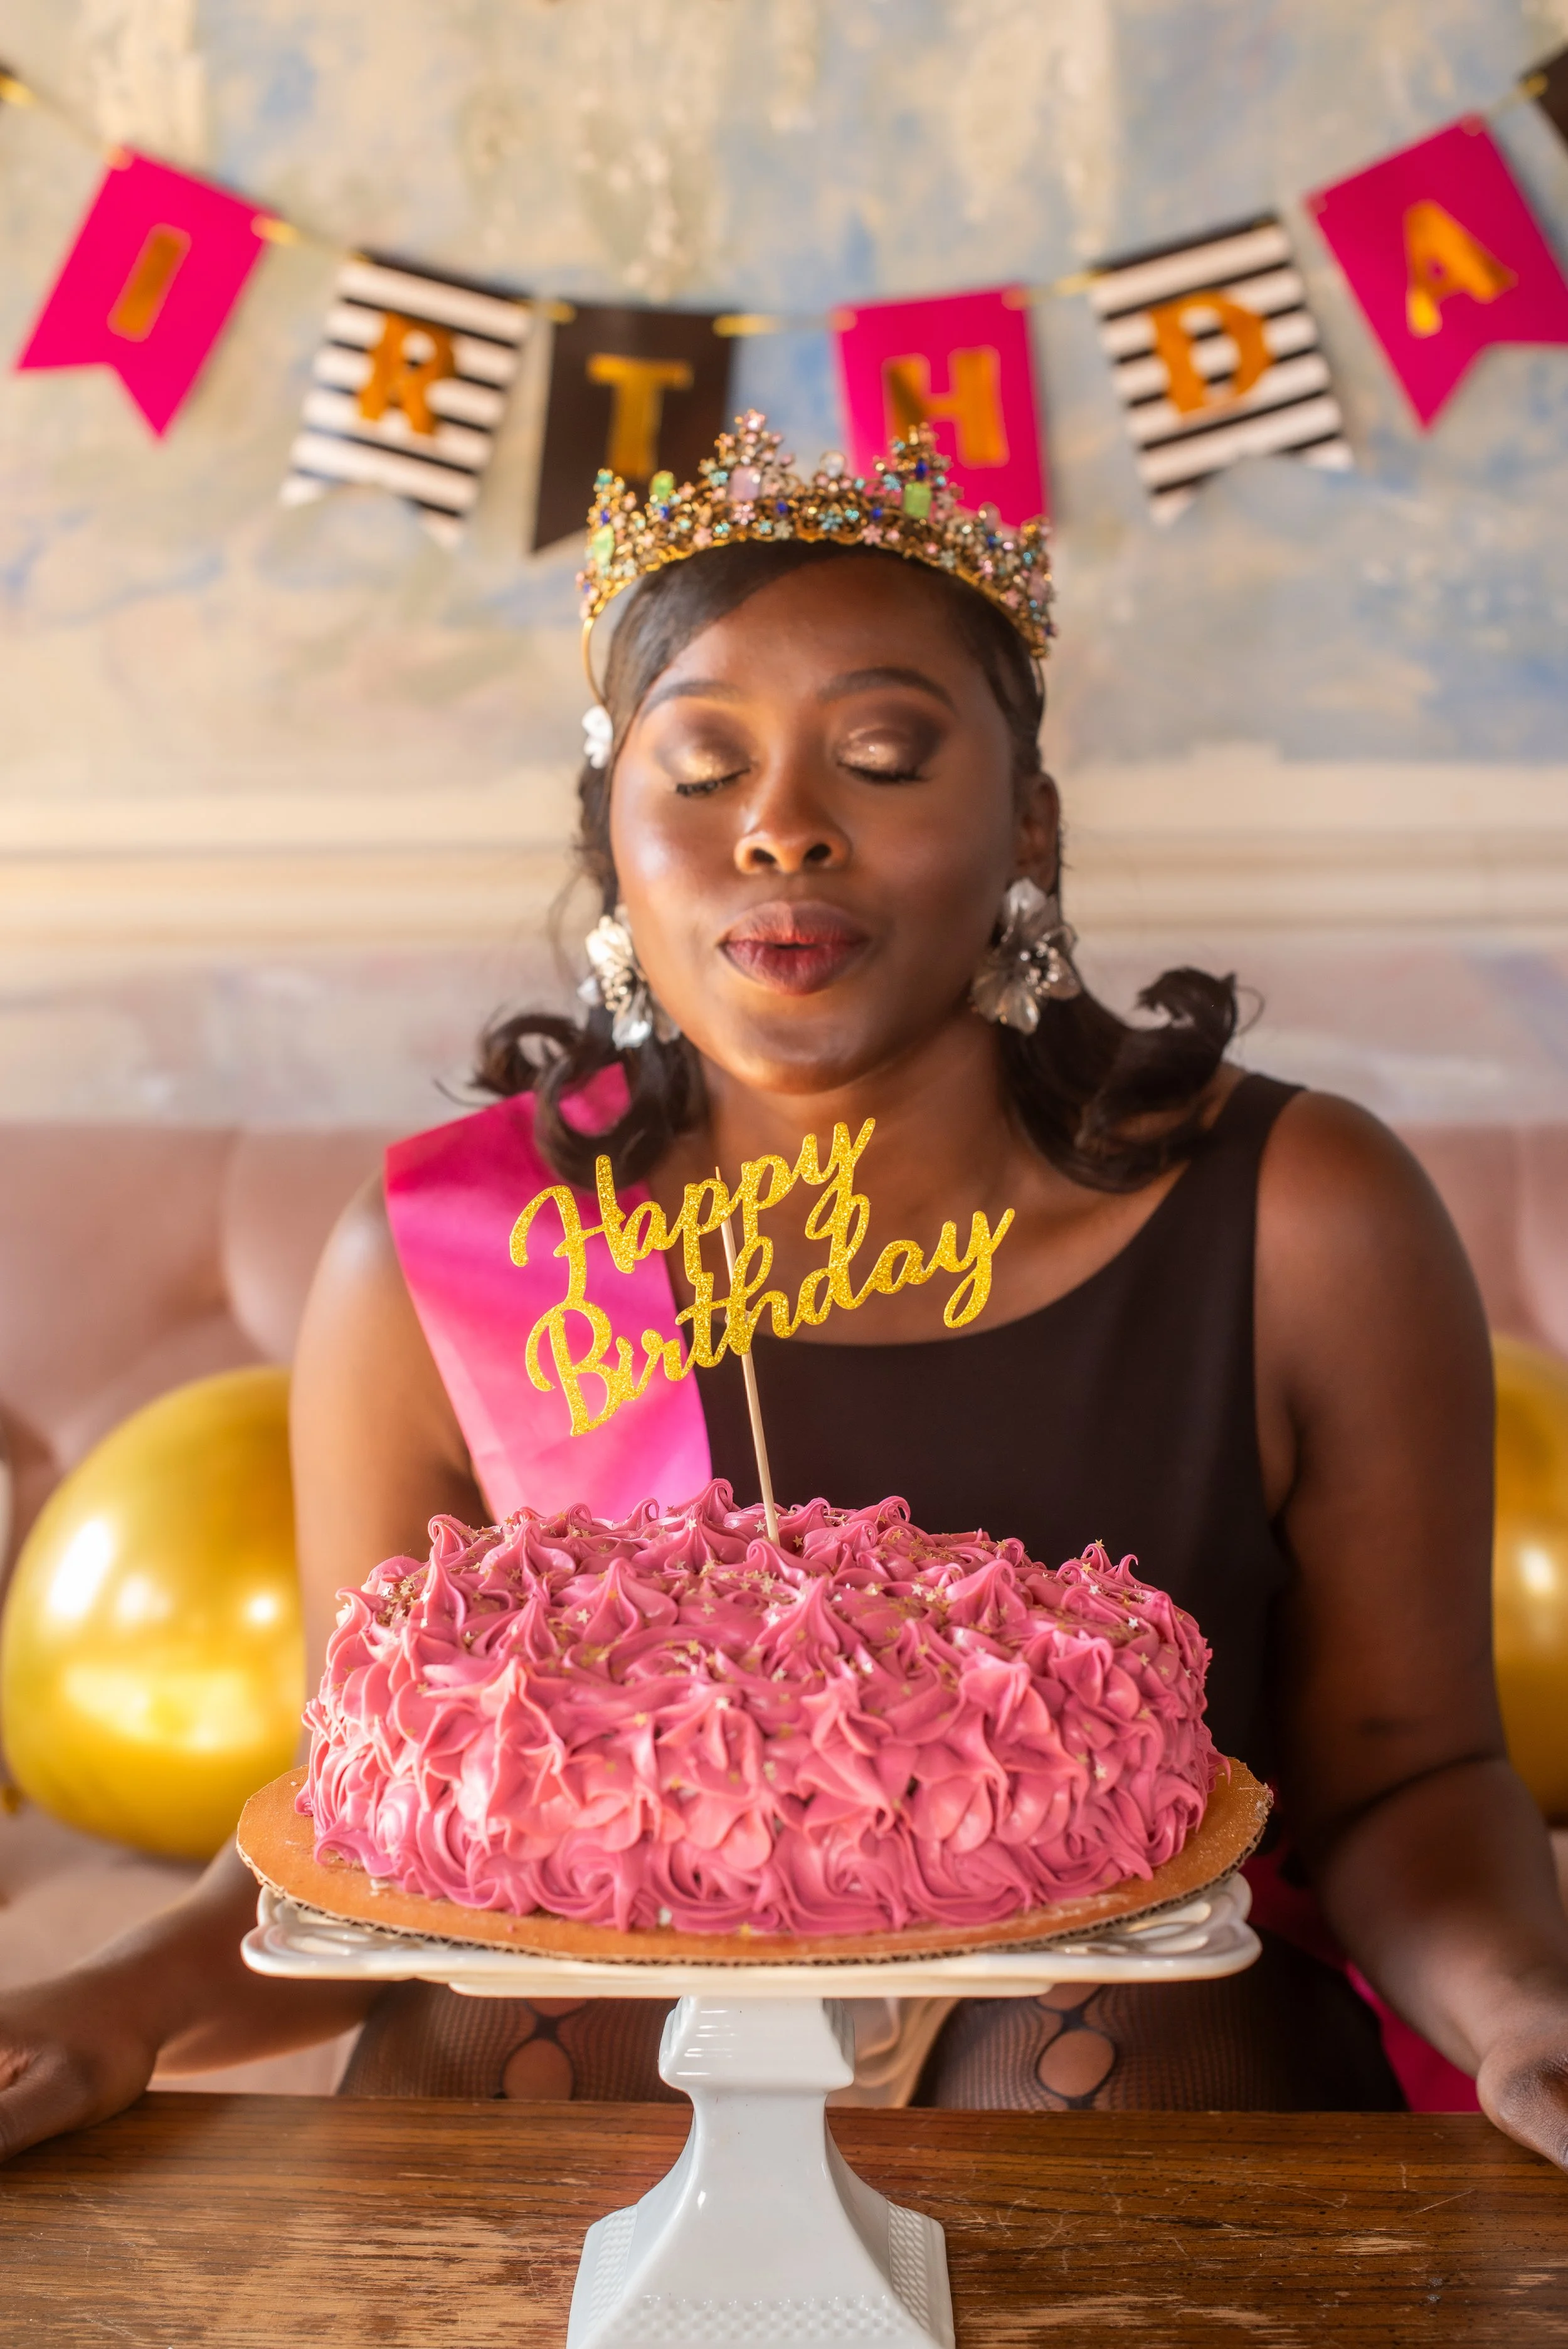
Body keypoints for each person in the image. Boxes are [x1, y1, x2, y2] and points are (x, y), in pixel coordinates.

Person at [3, 417, 1568, 2155]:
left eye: (885, 756)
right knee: (514, 2006)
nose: (782, 831)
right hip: (601, 2038)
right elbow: (384, 1827)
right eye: (701, 767)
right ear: (613, 836)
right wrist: (114, 2003)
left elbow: (1408, 1776)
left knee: (1112, 2023)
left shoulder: (1297, 1213)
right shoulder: (442, 1262)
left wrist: (1526, 2020)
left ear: (1026, 821)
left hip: (1130, 2036)